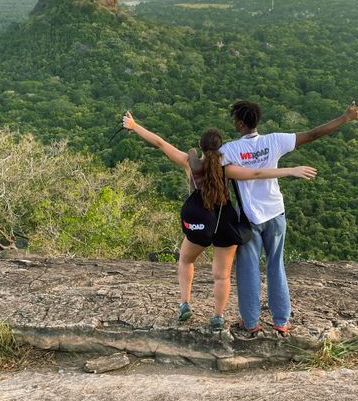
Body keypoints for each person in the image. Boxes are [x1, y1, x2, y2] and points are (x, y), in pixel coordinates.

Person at [121, 111, 317, 330]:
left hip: (201, 222)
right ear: (220, 147)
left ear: (201, 146)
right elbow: (256, 174)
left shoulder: (189, 163)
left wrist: (134, 126)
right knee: (221, 276)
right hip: (225, 223)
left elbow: (160, 143)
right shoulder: (226, 168)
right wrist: (291, 170)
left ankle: (185, 304)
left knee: (186, 260)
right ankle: (217, 317)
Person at [220, 99, 358, 337]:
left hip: (249, 218)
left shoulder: (229, 150)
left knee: (248, 269)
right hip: (276, 212)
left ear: (240, 124)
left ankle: (251, 322)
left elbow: (204, 167)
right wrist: (345, 118)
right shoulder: (274, 140)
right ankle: (281, 321)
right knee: (276, 264)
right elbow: (312, 134)